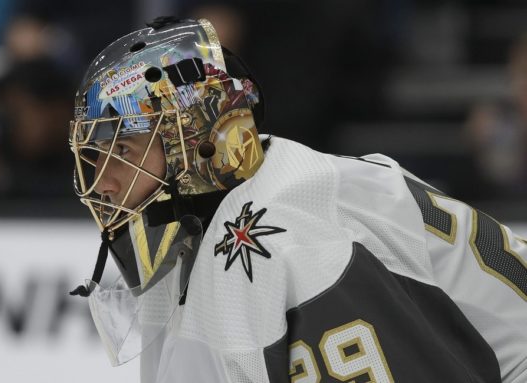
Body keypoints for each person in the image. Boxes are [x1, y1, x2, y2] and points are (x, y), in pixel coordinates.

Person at [68, 17, 526, 383]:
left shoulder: (294, 236)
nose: (103, 183)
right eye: (95, 157)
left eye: (121, 151)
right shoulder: (223, 218)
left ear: (197, 140)